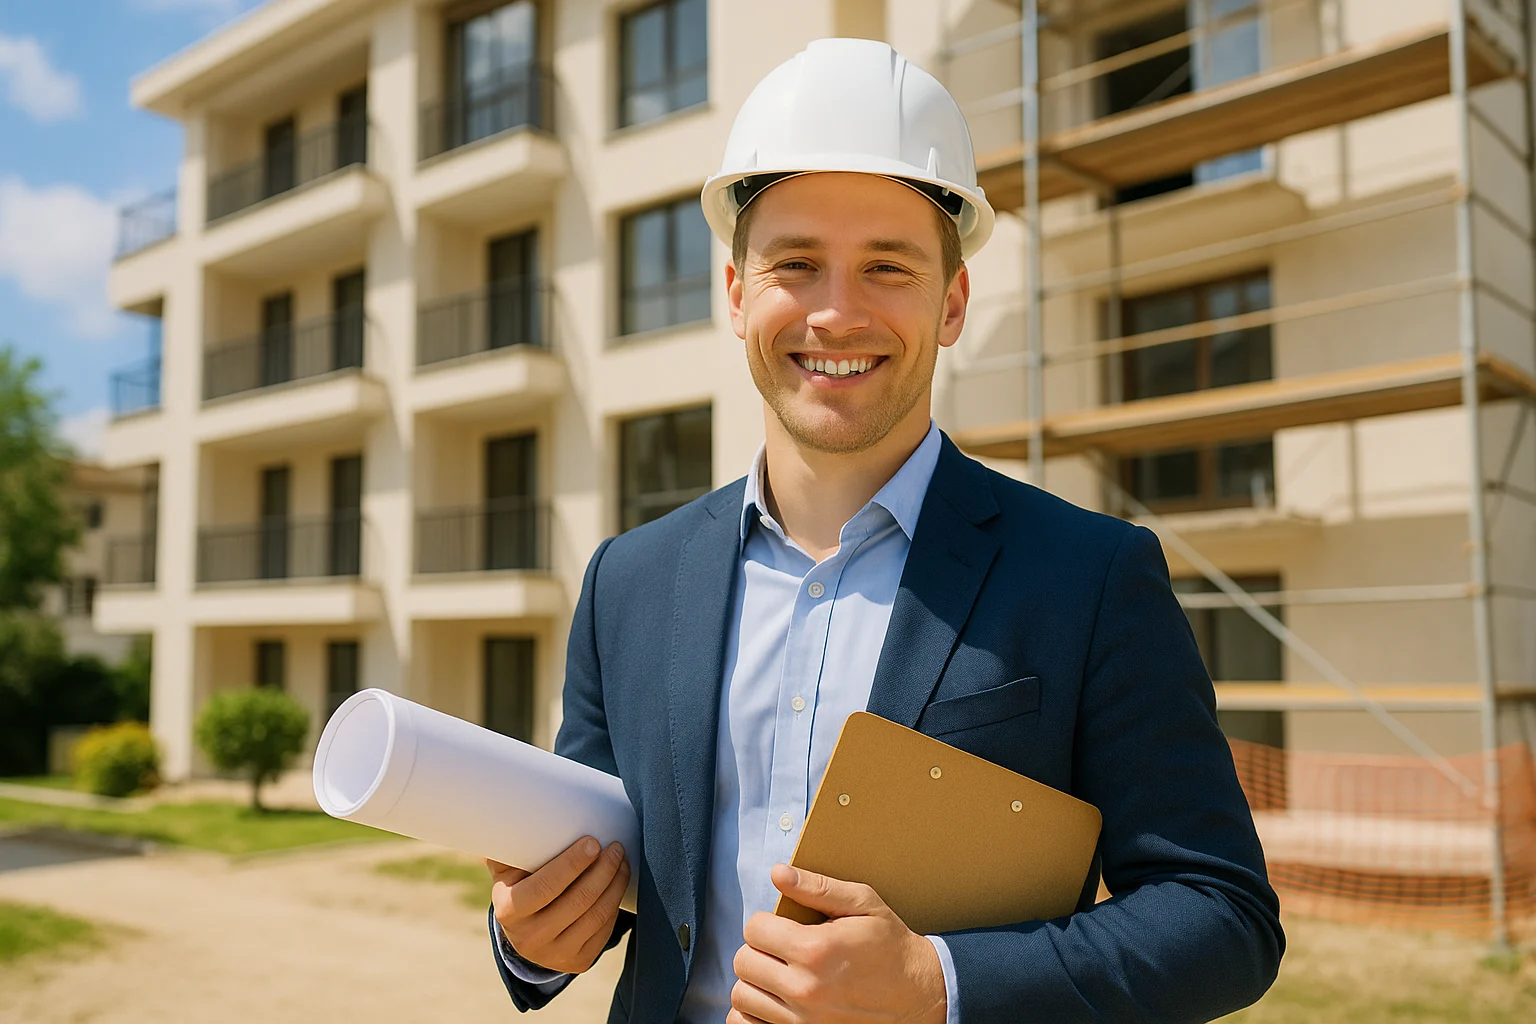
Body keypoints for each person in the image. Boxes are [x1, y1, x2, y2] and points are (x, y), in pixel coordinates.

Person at [484, 38, 1283, 1024]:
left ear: (951, 303)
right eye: (797, 263)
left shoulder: (1093, 575)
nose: (836, 312)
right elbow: (606, 868)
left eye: (888, 268)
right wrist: (532, 939)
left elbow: (1223, 914)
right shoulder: (627, 581)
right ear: (737, 295)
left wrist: (938, 985)